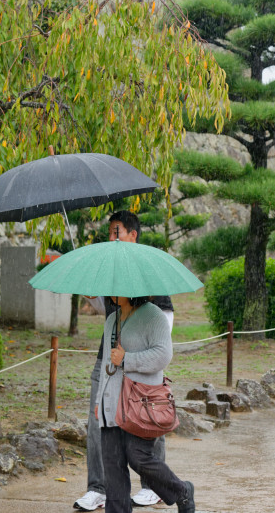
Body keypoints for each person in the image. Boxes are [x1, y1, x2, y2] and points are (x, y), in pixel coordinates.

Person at [76, 211, 175, 511]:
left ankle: (153, 487)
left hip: (139, 362)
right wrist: (91, 291)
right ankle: (98, 488)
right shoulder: (109, 268)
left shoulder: (148, 268)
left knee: (147, 421)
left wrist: (137, 355)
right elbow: (103, 307)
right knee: (99, 423)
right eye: (109, 232)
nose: (112, 237)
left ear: (133, 234)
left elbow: (164, 319)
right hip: (107, 359)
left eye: (116, 231)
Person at [96, 294, 195, 513]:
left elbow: (163, 355)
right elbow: (106, 363)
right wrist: (99, 401)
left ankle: (181, 491)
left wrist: (127, 359)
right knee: (112, 465)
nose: (112, 294)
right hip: (111, 402)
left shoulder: (153, 315)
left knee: (139, 457)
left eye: (117, 289)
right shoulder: (113, 319)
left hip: (141, 403)